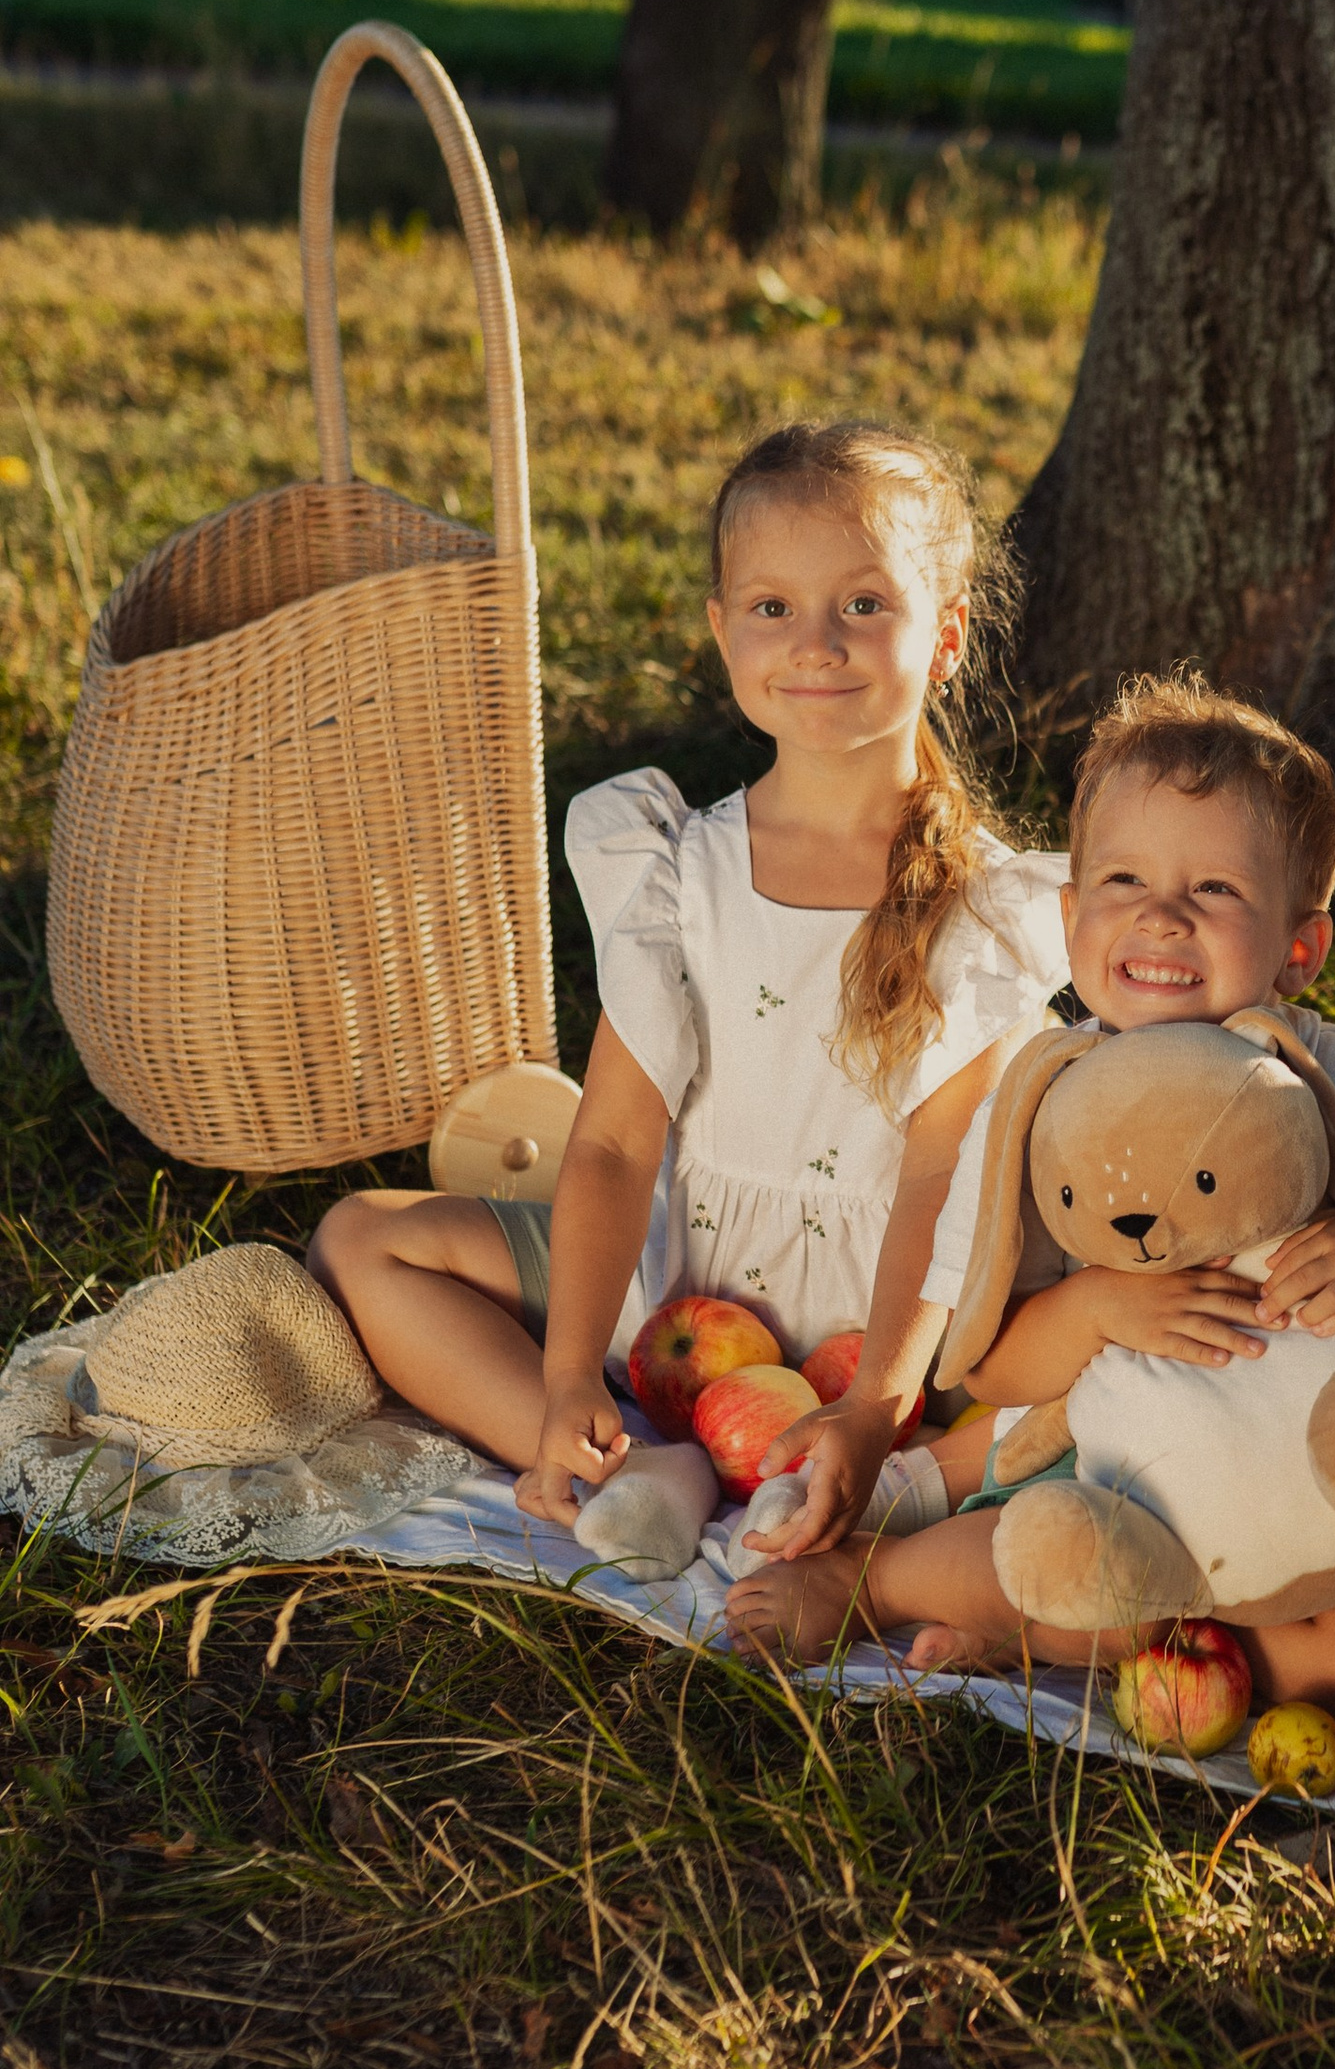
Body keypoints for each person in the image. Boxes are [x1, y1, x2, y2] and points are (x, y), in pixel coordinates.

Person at [310, 421, 1068, 1569]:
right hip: (676, 1288)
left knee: (1092, 1358)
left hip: (883, 1332)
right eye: (772, 608)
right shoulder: (679, 871)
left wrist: (871, 1401)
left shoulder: (985, 908)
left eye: (863, 604)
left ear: (947, 633)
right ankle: (613, 1451)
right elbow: (614, 1142)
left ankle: (848, 1468)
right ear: (723, 632)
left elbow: (935, 1180)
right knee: (364, 1239)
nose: (815, 642)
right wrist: (567, 1373)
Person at [726, 676, 1335, 1675]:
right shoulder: (1043, 1101)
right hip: (1123, 1470)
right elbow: (985, 1364)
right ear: (1071, 912)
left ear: (1301, 950)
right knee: (1058, 1563)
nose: (1163, 918)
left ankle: (1052, 1642)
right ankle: (870, 1585)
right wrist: (1097, 1310)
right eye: (1124, 883)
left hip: (1311, 1463)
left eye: (1215, 890)